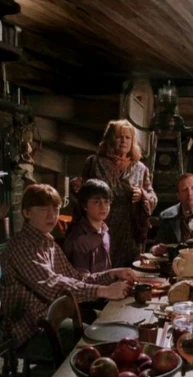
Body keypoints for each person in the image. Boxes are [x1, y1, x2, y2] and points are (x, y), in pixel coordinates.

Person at [0, 184, 137, 350]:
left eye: (56, 209)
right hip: (32, 329)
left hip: (60, 315)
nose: (52, 215)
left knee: (117, 322)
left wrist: (112, 274)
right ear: (27, 212)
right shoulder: (21, 246)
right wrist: (104, 290)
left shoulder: (47, 242)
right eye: (44, 209)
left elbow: (76, 278)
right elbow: (53, 286)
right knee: (106, 340)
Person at [82, 119, 157, 266]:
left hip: (129, 229)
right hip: (101, 224)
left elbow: (153, 197)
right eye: (119, 137)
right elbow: (83, 193)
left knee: (129, 269)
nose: (124, 141)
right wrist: (76, 186)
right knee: (100, 266)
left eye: (128, 137)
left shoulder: (140, 168)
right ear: (110, 139)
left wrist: (143, 195)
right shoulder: (94, 163)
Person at [64, 179, 112, 274]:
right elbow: (81, 278)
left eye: (106, 202)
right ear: (84, 205)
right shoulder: (80, 238)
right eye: (96, 202)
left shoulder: (104, 231)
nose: (103, 207)